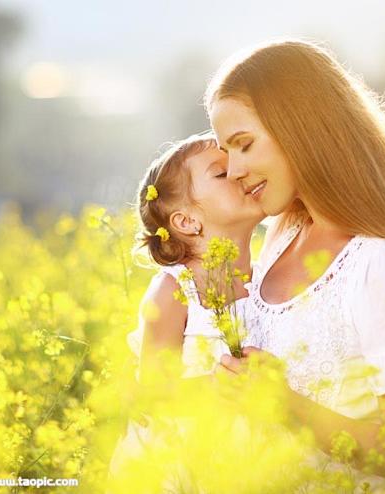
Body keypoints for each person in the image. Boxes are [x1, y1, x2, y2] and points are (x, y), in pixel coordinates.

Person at [206, 38, 385, 490]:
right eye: (226, 154)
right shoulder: (280, 239)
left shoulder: (381, 264)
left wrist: (285, 405)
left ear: (301, 126)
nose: (235, 170)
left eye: (244, 145)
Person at [107, 132, 265, 492]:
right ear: (187, 222)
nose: (242, 173)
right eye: (222, 174)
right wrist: (214, 386)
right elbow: (151, 394)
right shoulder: (175, 291)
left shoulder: (268, 278)